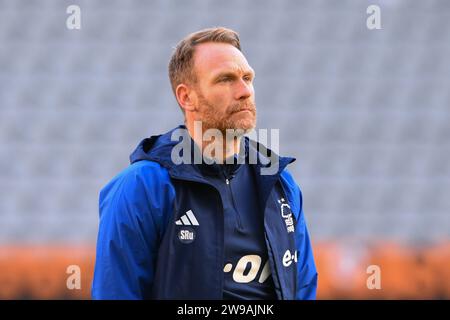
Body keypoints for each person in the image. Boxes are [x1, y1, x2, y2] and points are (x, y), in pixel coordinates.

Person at [92, 27, 317, 300]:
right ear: (187, 97)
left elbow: (303, 289)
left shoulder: (280, 184)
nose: (245, 91)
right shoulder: (143, 187)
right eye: (226, 80)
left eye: (247, 78)